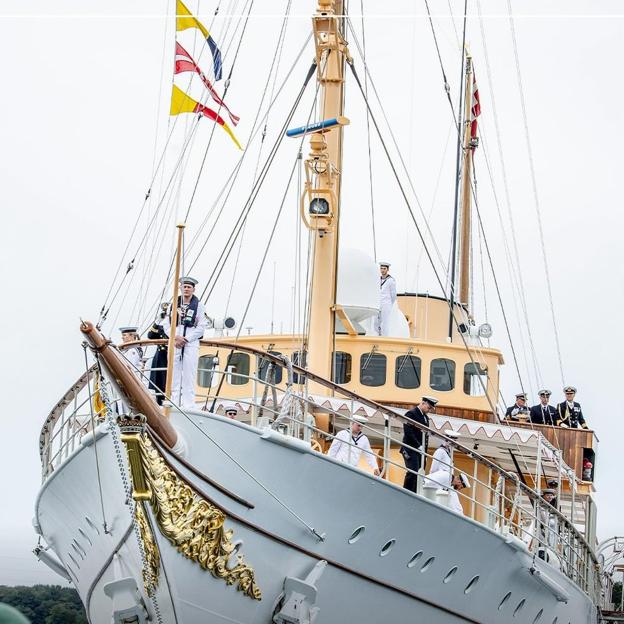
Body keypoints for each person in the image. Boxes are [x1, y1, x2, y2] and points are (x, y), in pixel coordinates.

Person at [163, 276, 208, 410]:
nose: (186, 289)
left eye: (189, 287)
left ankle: (189, 404)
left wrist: (186, 339)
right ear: (180, 288)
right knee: (173, 372)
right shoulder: (173, 305)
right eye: (184, 286)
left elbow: (201, 327)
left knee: (189, 373)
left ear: (193, 289)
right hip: (175, 342)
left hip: (190, 343)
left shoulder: (199, 306)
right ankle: (173, 401)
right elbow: (166, 324)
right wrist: (174, 336)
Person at [401, 396, 438, 492]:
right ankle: (406, 492)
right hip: (410, 448)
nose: (429, 410)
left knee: (419, 475)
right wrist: (418, 445)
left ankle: (414, 493)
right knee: (413, 471)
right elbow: (408, 432)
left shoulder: (425, 418)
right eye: (428, 407)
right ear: (423, 403)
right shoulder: (411, 413)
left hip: (420, 452)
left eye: (430, 409)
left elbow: (425, 437)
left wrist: (424, 453)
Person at [147, 303, 169, 405]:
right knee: (159, 383)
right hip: (160, 356)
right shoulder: (162, 325)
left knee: (168, 382)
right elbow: (151, 335)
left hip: (171, 356)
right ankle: (160, 403)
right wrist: (157, 321)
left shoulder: (176, 323)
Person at [377, 261, 396, 336]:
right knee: (376, 322)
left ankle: (385, 337)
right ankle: (377, 335)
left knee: (385, 322)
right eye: (381, 268)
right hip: (378, 303)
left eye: (384, 268)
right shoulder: (378, 279)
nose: (382, 270)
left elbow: (393, 295)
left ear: (387, 269)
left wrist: (390, 304)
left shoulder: (391, 280)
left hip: (386, 303)